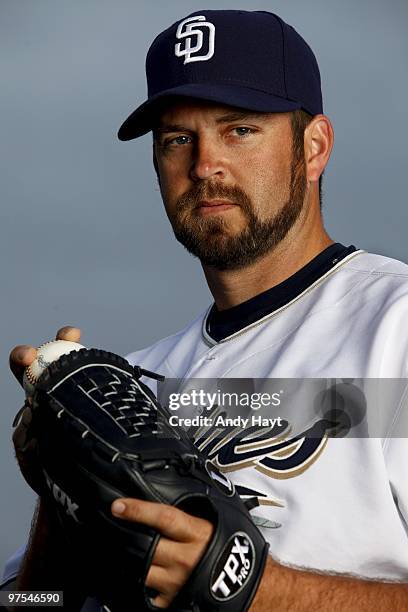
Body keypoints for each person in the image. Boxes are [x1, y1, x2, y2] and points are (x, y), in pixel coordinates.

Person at [2, 9, 408, 611]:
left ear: (314, 146)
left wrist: (256, 587)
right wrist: (56, 501)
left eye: (239, 129)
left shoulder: (393, 327)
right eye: (176, 139)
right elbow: (30, 604)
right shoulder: (137, 386)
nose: (204, 165)